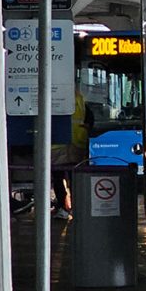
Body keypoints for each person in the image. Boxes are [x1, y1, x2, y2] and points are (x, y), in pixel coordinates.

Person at [49, 89, 93, 220]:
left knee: (58, 178)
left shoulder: (52, 95)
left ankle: (64, 208)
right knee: (75, 179)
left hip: (57, 145)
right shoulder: (79, 98)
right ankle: (76, 208)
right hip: (76, 144)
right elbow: (90, 120)